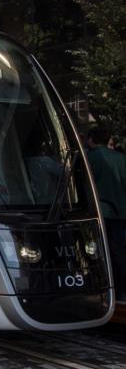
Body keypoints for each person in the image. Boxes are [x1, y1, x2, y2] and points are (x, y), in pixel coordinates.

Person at [87, 127, 126, 301]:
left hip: (100, 212)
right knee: (119, 252)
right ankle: (121, 290)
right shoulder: (121, 158)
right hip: (121, 213)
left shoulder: (91, 157)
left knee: (100, 252)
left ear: (91, 140)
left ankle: (105, 289)